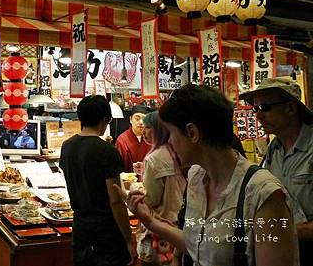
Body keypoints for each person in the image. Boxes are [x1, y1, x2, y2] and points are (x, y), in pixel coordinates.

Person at [124, 84, 299, 266]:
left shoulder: (264, 195)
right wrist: (150, 221)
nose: (169, 141)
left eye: (172, 133)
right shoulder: (196, 177)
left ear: (192, 133)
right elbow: (199, 246)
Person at [240, 77, 313, 266]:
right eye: (255, 109)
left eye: (265, 107)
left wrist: (282, 229)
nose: (258, 116)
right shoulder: (274, 150)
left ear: (290, 108)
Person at [60, 95, 136, 266]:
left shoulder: (67, 146)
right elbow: (115, 201)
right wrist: (129, 239)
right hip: (106, 235)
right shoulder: (107, 151)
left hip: (80, 229)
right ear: (105, 119)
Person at [135, 111, 186, 266]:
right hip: (180, 227)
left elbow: (151, 199)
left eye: (149, 127)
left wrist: (134, 188)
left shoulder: (154, 158)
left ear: (160, 129)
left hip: (160, 230)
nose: (144, 131)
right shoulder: (179, 151)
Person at [115, 105, 152, 172]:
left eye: (144, 119)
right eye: (137, 119)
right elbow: (118, 167)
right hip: (129, 180)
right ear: (130, 120)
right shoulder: (122, 140)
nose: (141, 122)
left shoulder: (152, 139)